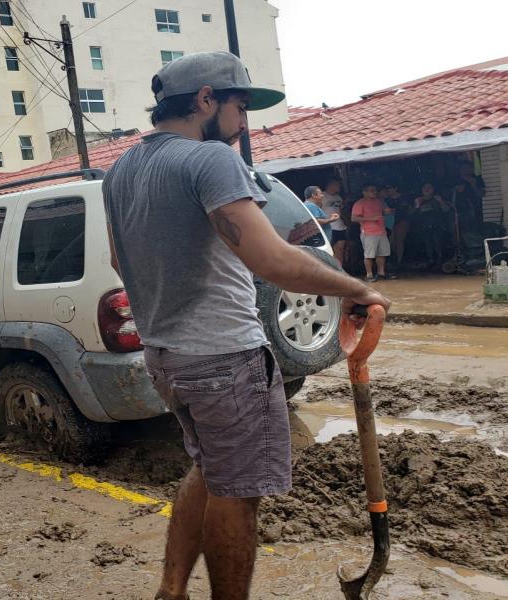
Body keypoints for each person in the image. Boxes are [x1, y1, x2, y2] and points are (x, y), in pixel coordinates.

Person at [102, 51, 390, 600]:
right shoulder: (209, 159)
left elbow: (120, 261)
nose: (243, 122)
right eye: (239, 106)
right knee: (237, 491)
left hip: (165, 357)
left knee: (209, 470)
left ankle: (171, 590)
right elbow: (273, 259)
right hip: (224, 356)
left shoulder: (121, 172)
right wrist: (357, 289)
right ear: (205, 99)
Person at [351, 184, 396, 281]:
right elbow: (354, 218)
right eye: (372, 190)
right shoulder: (360, 203)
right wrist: (370, 219)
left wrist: (387, 212)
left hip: (381, 231)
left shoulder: (378, 202)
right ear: (364, 192)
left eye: (375, 190)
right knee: (369, 255)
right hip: (368, 232)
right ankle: (369, 275)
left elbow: (381, 213)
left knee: (382, 253)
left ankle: (381, 273)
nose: (375, 192)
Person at [412, 182, 450, 268]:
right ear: (422, 189)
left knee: (437, 242)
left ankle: (440, 260)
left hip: (438, 226)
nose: (427, 189)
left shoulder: (437, 199)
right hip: (424, 226)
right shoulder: (419, 200)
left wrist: (441, 201)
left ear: (433, 189)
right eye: (424, 187)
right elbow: (412, 215)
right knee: (427, 244)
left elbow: (447, 210)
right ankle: (430, 260)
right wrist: (416, 205)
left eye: (429, 187)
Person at [323, 177, 348, 264]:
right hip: (328, 227)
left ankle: (340, 269)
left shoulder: (338, 198)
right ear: (331, 184)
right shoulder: (322, 196)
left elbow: (341, 211)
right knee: (329, 251)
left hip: (340, 226)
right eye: (338, 184)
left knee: (340, 249)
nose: (340, 186)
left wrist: (346, 222)